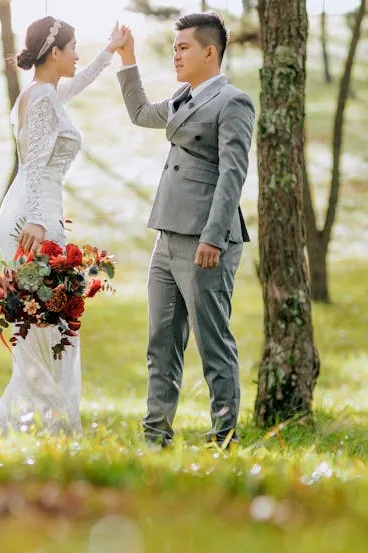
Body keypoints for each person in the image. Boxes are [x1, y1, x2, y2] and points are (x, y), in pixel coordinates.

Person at [114, 12, 255, 448]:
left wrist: (213, 237)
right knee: (161, 343)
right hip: (167, 234)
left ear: (209, 52)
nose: (175, 55)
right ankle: (156, 436)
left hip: (205, 241)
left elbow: (233, 173)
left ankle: (224, 438)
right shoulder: (182, 99)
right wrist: (128, 58)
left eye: (183, 48)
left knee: (213, 345)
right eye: (174, 48)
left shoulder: (233, 102)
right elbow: (139, 112)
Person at [0, 17, 130, 436]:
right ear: (54, 53)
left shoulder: (42, 93)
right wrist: (37, 219)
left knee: (48, 325)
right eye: (73, 48)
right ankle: (46, 427)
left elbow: (78, 82)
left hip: (33, 211)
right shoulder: (44, 100)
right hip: (35, 218)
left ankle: (41, 423)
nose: (76, 55)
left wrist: (110, 50)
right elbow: (34, 167)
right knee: (51, 325)